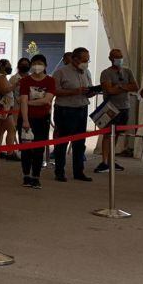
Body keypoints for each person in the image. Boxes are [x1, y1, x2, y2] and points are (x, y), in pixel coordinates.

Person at [52, 46, 93, 182]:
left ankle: (78, 171)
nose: (86, 62)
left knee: (80, 143)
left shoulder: (86, 72)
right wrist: (74, 91)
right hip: (65, 110)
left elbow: (89, 88)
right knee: (62, 142)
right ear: (75, 59)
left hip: (82, 108)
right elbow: (55, 91)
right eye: (84, 60)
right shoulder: (60, 72)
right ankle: (59, 171)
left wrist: (91, 92)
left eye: (88, 60)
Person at [96, 48, 138, 173]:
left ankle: (111, 159)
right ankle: (104, 161)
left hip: (125, 107)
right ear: (110, 59)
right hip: (110, 108)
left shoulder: (127, 71)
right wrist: (125, 87)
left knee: (117, 134)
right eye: (116, 57)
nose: (119, 59)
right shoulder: (106, 73)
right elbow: (110, 90)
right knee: (108, 134)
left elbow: (135, 86)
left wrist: (119, 86)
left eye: (120, 57)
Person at [18, 54, 56, 189]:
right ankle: (26, 175)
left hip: (42, 119)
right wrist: (25, 120)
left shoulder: (50, 81)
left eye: (40, 63)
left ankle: (36, 176)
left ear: (45, 66)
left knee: (39, 149)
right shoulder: (26, 80)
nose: (37, 66)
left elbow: (47, 100)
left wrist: (28, 102)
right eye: (34, 63)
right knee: (26, 149)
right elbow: (22, 101)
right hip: (26, 119)